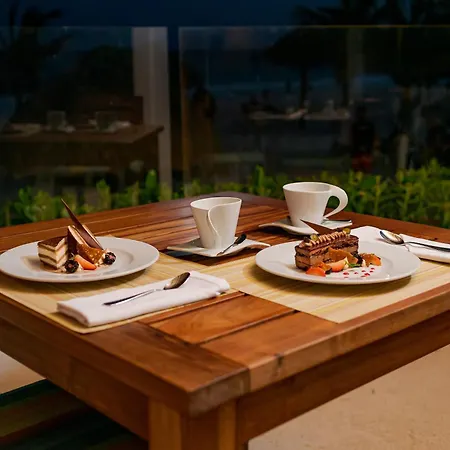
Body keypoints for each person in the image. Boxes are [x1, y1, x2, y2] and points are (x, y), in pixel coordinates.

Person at [350, 105, 375, 173]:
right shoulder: (355, 126)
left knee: (367, 170)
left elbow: (372, 138)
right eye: (359, 113)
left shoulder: (369, 125)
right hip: (357, 152)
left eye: (362, 113)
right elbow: (353, 140)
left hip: (367, 152)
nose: (361, 115)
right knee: (357, 171)